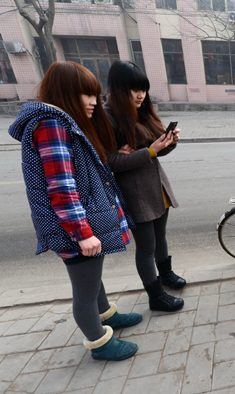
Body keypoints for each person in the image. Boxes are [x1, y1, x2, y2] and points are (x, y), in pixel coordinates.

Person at [8, 61, 140, 361]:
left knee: (93, 278)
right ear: (66, 93)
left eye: (95, 94)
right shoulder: (52, 125)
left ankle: (106, 314)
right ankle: (99, 343)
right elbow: (61, 187)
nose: (94, 101)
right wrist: (83, 234)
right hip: (74, 228)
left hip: (81, 223)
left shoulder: (64, 122)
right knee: (84, 289)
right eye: (86, 94)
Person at [103, 61, 184, 312]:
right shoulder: (108, 117)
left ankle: (166, 274)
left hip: (156, 187)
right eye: (134, 89)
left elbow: (155, 151)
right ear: (118, 88)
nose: (140, 95)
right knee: (146, 247)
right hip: (135, 192)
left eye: (143, 89)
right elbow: (110, 162)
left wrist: (168, 143)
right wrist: (149, 151)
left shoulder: (142, 111)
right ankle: (155, 296)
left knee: (160, 237)